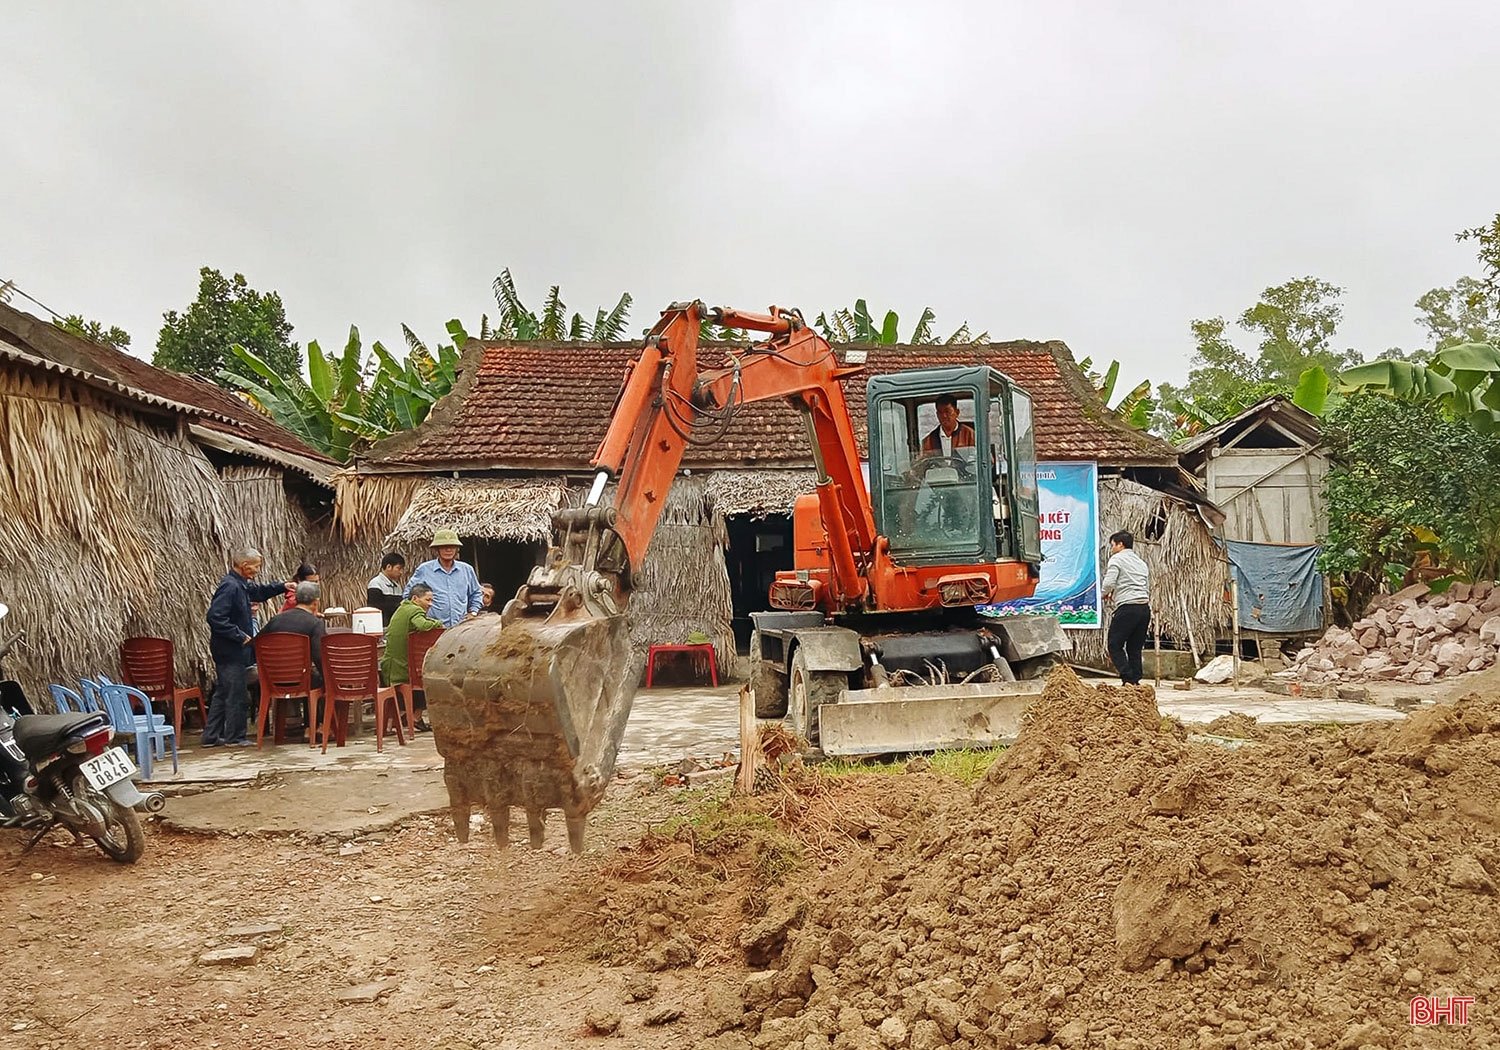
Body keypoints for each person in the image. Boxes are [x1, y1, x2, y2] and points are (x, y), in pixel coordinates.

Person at [204, 548, 290, 747]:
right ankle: (235, 737)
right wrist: (238, 635)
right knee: (236, 693)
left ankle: (211, 736)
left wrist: (282, 586)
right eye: (256, 566)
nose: (258, 570)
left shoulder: (241, 585)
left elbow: (258, 591)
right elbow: (215, 616)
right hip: (230, 650)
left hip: (230, 649)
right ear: (244, 566)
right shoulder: (230, 586)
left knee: (224, 692)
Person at [382, 583, 445, 732]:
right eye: (428, 600)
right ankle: (415, 717)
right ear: (416, 598)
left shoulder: (403, 608)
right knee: (427, 678)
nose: (430, 604)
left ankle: (403, 717)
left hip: (390, 666)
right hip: (402, 669)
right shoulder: (415, 610)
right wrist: (438, 622)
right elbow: (422, 625)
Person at [1102, 530, 1151, 686]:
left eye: (1112, 545)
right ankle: (1136, 680)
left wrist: (1104, 594)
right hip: (1144, 608)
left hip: (1127, 608)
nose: (1111, 549)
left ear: (1120, 544)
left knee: (1114, 644)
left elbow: (1109, 583)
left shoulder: (1116, 559)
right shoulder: (1141, 562)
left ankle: (1127, 677)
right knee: (1134, 647)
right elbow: (1144, 585)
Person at [404, 529, 482, 628]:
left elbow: (476, 593)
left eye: (451, 547)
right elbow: (408, 595)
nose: (448, 550)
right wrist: (421, 617)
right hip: (433, 628)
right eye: (444, 547)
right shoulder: (424, 569)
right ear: (437, 549)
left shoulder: (467, 570)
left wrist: (473, 613)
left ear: (457, 549)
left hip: (461, 628)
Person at [261, 581, 328, 688]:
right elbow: (320, 657)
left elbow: (258, 642)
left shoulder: (275, 620)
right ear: (315, 602)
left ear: (296, 600)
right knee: (327, 680)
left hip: (272, 678)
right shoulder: (315, 623)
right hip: (302, 680)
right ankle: (319, 705)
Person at [367, 552, 407, 626]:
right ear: (389, 567)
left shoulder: (397, 586)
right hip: (380, 626)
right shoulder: (375, 584)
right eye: (398, 568)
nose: (401, 572)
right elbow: (376, 608)